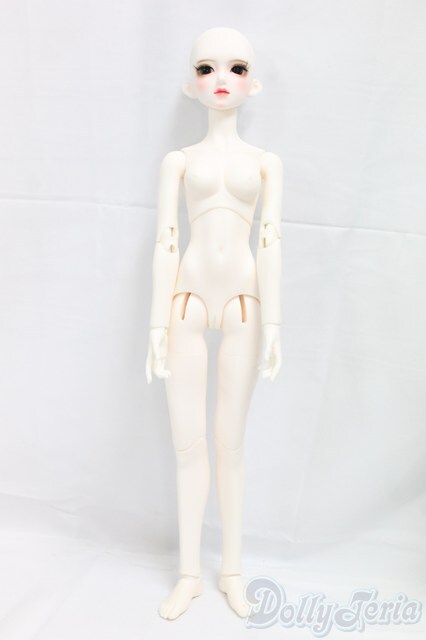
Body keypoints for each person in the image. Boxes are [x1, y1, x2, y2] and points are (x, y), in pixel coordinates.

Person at [146, 26, 283, 620]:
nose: (220, 79)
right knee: (188, 443)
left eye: (235, 68)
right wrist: (155, 326)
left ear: (253, 84)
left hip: (245, 303)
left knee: (230, 442)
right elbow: (166, 240)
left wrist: (275, 324)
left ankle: (230, 571)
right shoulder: (178, 161)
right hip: (187, 300)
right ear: (190, 84)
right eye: (206, 68)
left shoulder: (266, 163)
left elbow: (271, 239)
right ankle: (188, 574)